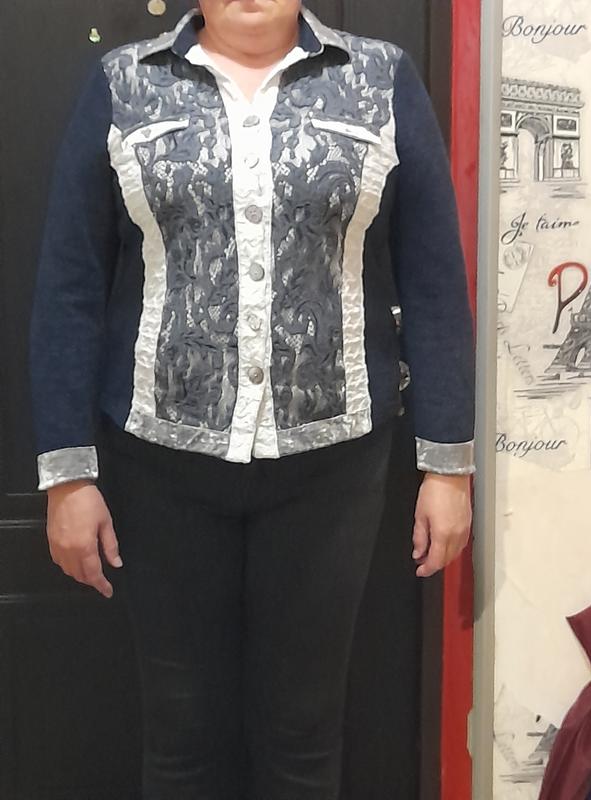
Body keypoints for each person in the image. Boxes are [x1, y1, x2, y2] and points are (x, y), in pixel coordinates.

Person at [28, 2, 476, 798]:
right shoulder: (123, 83)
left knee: (304, 737)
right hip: (159, 466)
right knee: (180, 736)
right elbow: (70, 287)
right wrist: (68, 476)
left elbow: (435, 281)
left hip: (332, 470)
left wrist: (448, 466)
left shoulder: (380, 79)